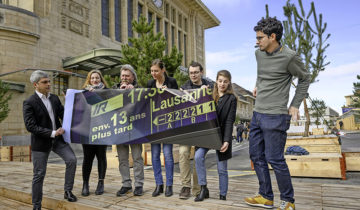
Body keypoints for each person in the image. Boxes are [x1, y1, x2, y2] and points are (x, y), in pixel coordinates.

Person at [244, 17, 310, 210]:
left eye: (260, 37)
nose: (257, 41)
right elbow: (262, 72)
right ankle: (266, 196)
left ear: (273, 37)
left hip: (276, 116)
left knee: (275, 159)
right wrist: (257, 85)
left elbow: (305, 79)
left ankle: (288, 200)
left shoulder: (290, 57)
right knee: (256, 156)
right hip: (257, 114)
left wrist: (295, 104)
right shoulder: (259, 54)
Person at [23, 70, 77, 210]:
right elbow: (31, 126)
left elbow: (64, 114)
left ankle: (67, 191)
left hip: (58, 140)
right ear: (36, 84)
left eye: (49, 81)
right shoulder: (29, 102)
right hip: (41, 142)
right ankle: (36, 205)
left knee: (72, 160)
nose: (49, 84)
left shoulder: (54, 98)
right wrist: (52, 132)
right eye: (45, 82)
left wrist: (69, 101)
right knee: (39, 174)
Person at [194, 70, 237, 202]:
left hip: (222, 136)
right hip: (208, 135)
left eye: (225, 81)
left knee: (222, 168)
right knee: (198, 156)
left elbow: (230, 121)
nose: (222, 84)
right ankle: (203, 188)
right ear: (216, 81)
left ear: (229, 82)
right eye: (220, 81)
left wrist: (227, 141)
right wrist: (201, 92)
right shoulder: (209, 95)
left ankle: (222, 195)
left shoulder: (232, 99)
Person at [178, 61, 213, 199]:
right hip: (187, 128)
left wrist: (207, 93)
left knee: (198, 158)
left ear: (201, 72)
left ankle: (197, 189)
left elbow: (215, 102)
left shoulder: (210, 86)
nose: (193, 75)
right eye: (191, 72)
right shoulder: (184, 87)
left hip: (203, 128)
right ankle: (185, 186)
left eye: (196, 72)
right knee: (183, 152)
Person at [147, 59, 178, 197]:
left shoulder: (172, 82)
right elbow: (146, 102)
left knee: (167, 155)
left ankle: (169, 185)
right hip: (154, 125)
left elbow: (179, 101)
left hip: (168, 124)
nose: (153, 73)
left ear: (163, 70)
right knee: (154, 156)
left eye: (156, 71)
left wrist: (169, 92)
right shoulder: (150, 83)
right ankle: (159, 184)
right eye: (152, 70)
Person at [113, 64, 145, 197]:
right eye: (122, 76)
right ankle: (126, 184)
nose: (124, 78)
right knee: (122, 159)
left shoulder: (140, 89)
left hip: (135, 129)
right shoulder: (114, 89)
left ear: (133, 76)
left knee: (137, 157)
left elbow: (145, 104)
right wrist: (119, 93)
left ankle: (139, 185)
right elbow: (109, 105)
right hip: (120, 129)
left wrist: (135, 92)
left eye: (127, 75)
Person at [81, 70, 109, 196]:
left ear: (101, 79)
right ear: (89, 80)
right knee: (87, 158)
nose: (94, 80)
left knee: (101, 156)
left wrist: (98, 94)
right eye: (92, 78)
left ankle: (100, 182)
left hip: (102, 129)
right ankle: (85, 184)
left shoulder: (107, 92)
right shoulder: (83, 93)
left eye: (97, 78)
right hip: (88, 130)